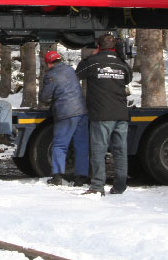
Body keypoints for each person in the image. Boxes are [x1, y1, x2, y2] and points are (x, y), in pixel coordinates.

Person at [76, 34, 132, 195]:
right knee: (120, 151)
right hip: (121, 114)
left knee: (99, 151)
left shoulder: (93, 62)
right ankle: (120, 185)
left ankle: (97, 186)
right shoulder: (121, 64)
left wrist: (91, 57)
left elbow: (78, 73)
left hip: (101, 114)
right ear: (114, 47)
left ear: (98, 46)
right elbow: (128, 79)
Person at [39, 50, 89, 186]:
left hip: (65, 112)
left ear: (48, 63)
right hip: (82, 111)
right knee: (81, 144)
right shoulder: (70, 70)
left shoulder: (51, 75)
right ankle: (81, 176)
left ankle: (57, 176)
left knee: (60, 144)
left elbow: (45, 97)